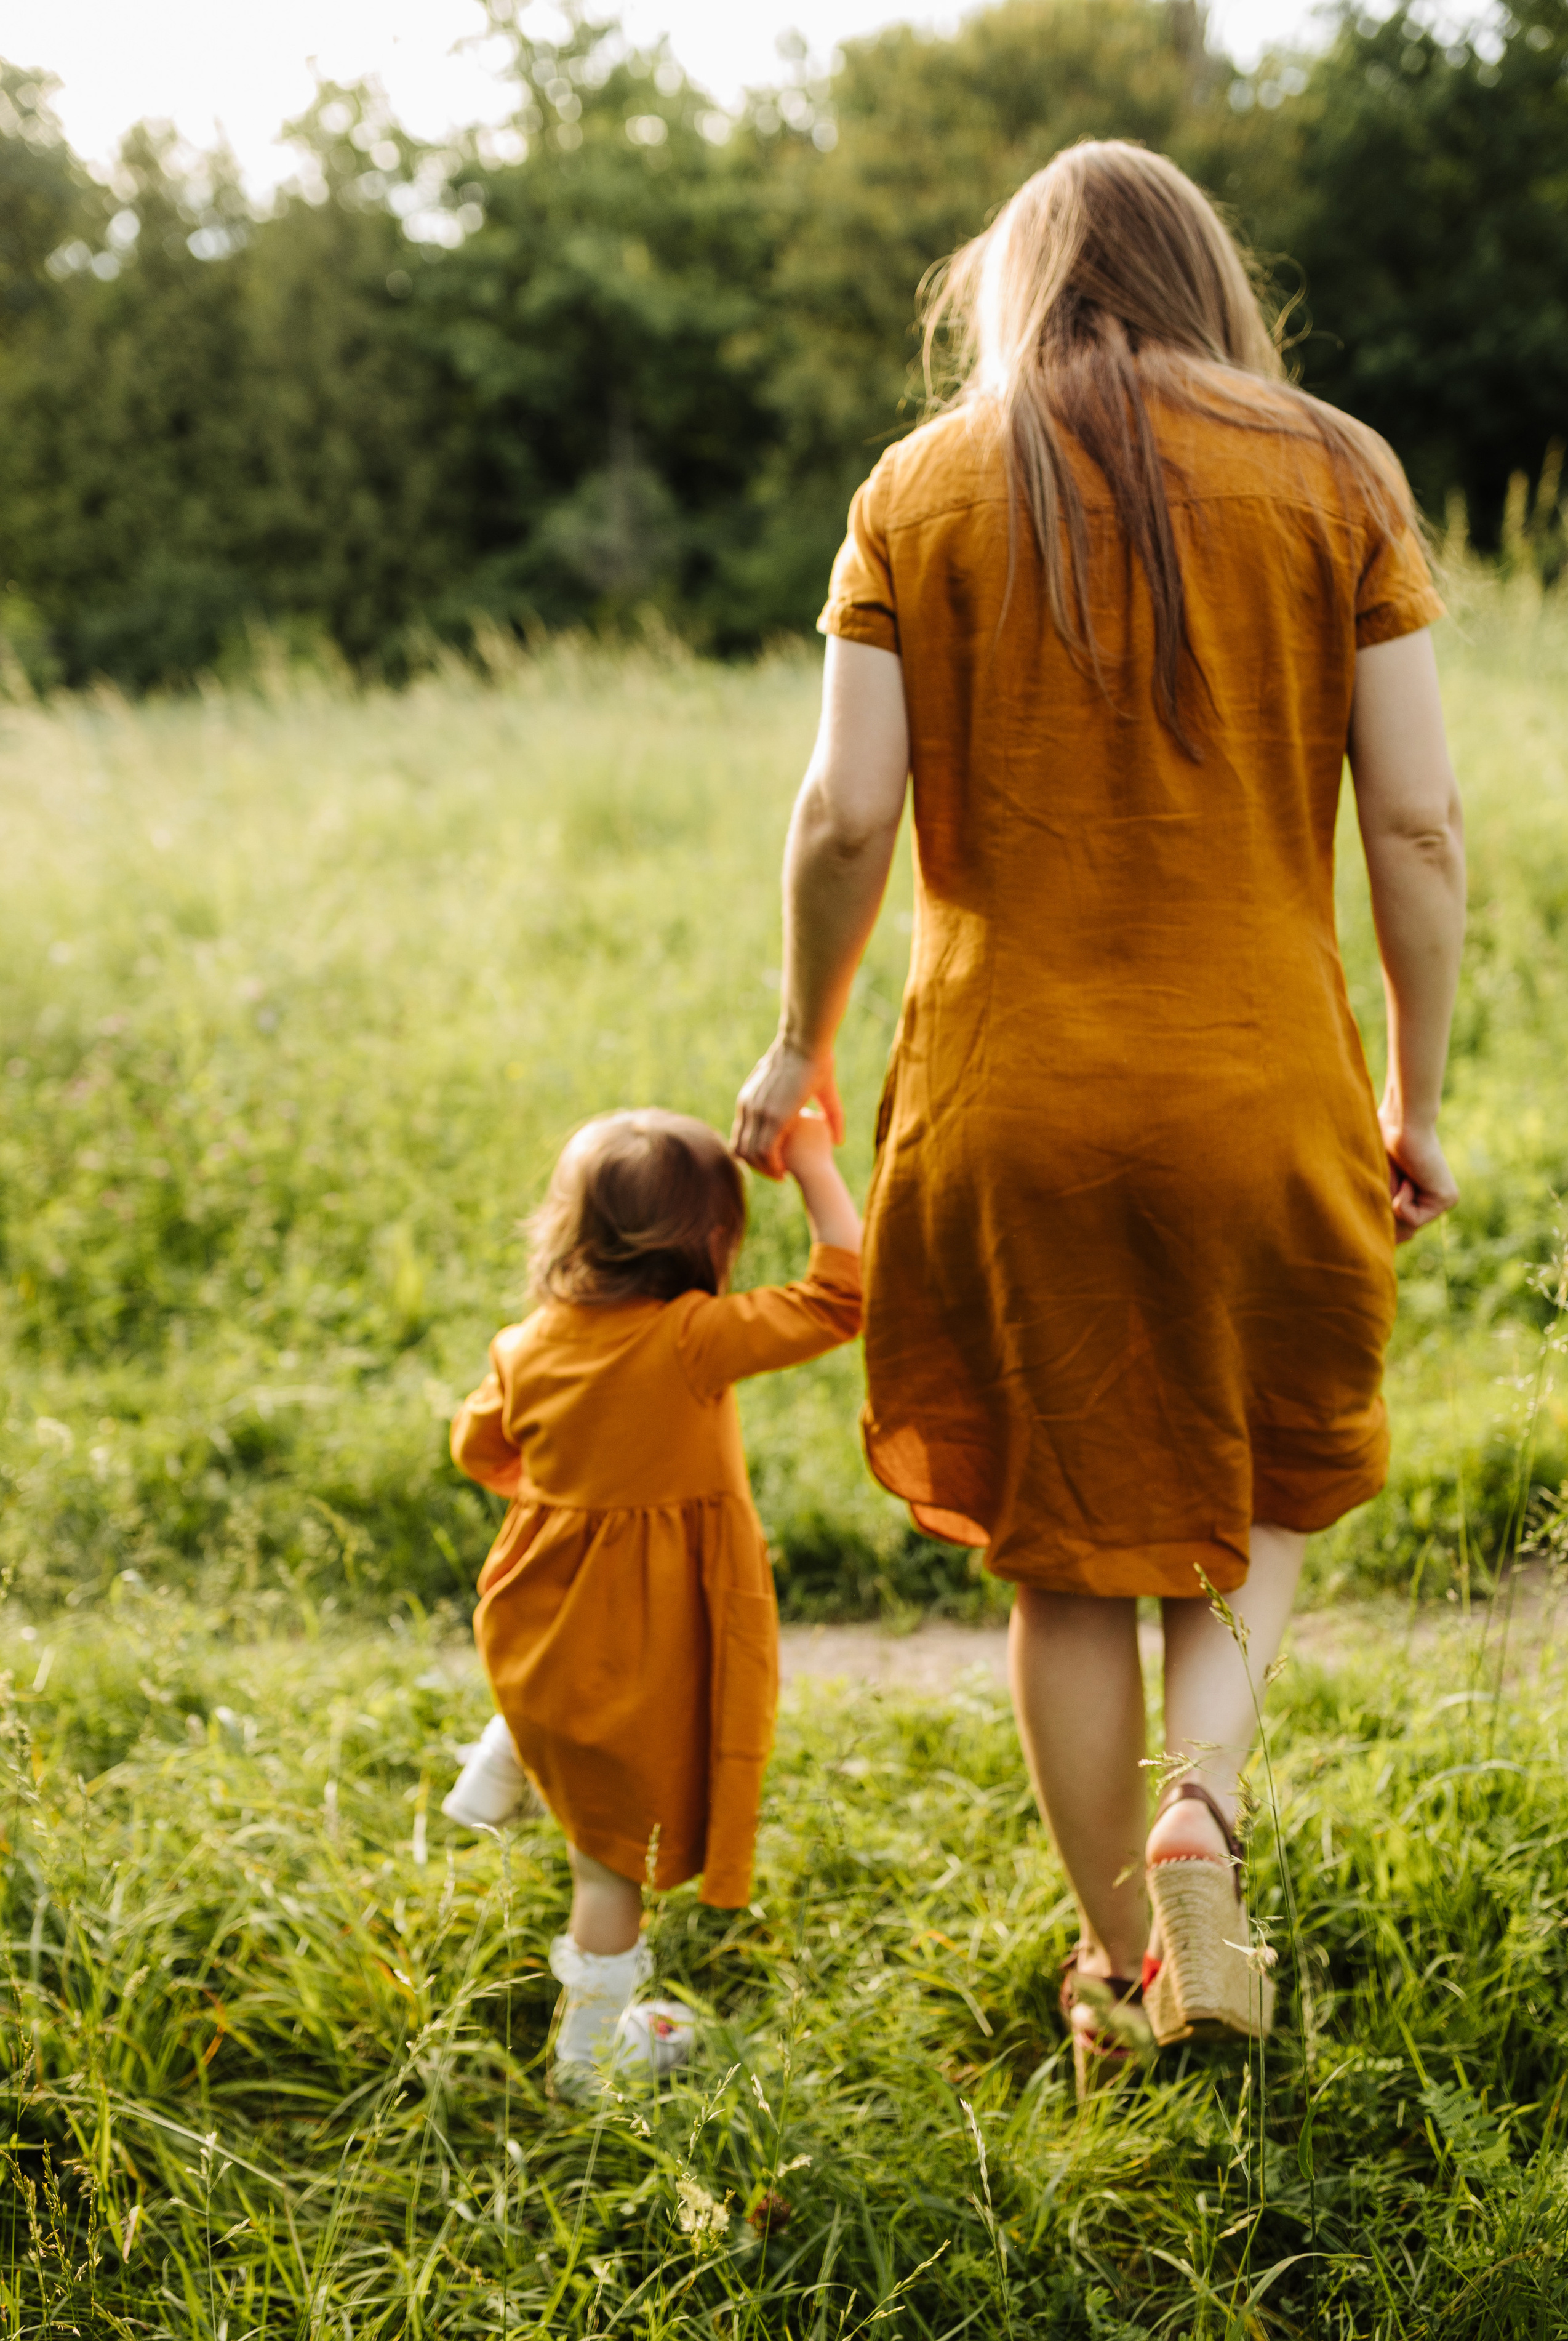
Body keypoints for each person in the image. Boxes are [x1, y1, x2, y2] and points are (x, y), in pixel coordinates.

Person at [732, 140, 1465, 2089]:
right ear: (1208, 273)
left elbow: (843, 818)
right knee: (1265, 1481)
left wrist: (799, 1046)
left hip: (1001, 1105)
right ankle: (1201, 1805)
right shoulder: (1338, 475)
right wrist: (1413, 1092)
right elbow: (1415, 824)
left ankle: (1126, 1979)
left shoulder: (919, 487)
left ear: (1014, 288)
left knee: (1067, 1558)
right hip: (1261, 1088)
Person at [445, 1106, 862, 2100]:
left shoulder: (527, 1343)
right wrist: (809, 1165)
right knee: (608, 1866)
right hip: (642, 1640)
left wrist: (574, 1492)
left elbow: (478, 1446)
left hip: (538, 1617)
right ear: (714, 1242)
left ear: (567, 1231)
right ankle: (590, 2059)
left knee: (562, 1684)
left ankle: (506, 1755)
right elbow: (840, 1296)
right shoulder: (692, 1340)